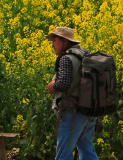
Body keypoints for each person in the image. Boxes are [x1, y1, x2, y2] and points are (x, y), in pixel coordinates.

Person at [46, 26, 98, 160]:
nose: (52, 45)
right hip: (89, 111)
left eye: (55, 41)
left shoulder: (67, 58)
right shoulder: (85, 54)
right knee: (87, 152)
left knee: (63, 154)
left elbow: (64, 83)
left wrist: (52, 85)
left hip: (72, 113)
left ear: (65, 41)